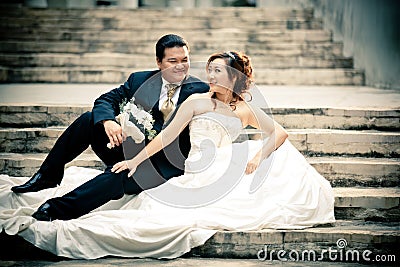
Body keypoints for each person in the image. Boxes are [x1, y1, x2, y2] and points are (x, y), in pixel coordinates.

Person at [0, 51, 335, 259]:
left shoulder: (242, 107)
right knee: (119, 166)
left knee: (279, 161)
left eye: (217, 70)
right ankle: (53, 198)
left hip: (222, 168)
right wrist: (133, 159)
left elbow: (279, 132)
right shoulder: (196, 101)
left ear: (233, 76)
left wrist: (257, 157)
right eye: (209, 69)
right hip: (191, 170)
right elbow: (167, 137)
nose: (210, 75)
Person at [9, 33, 210, 221]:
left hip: (162, 166)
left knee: (117, 175)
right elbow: (105, 100)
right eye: (172, 61)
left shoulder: (200, 90)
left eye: (185, 60)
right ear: (159, 62)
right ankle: (47, 176)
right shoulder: (139, 80)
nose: (180, 66)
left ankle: (54, 210)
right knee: (89, 119)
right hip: (129, 148)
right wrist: (109, 122)